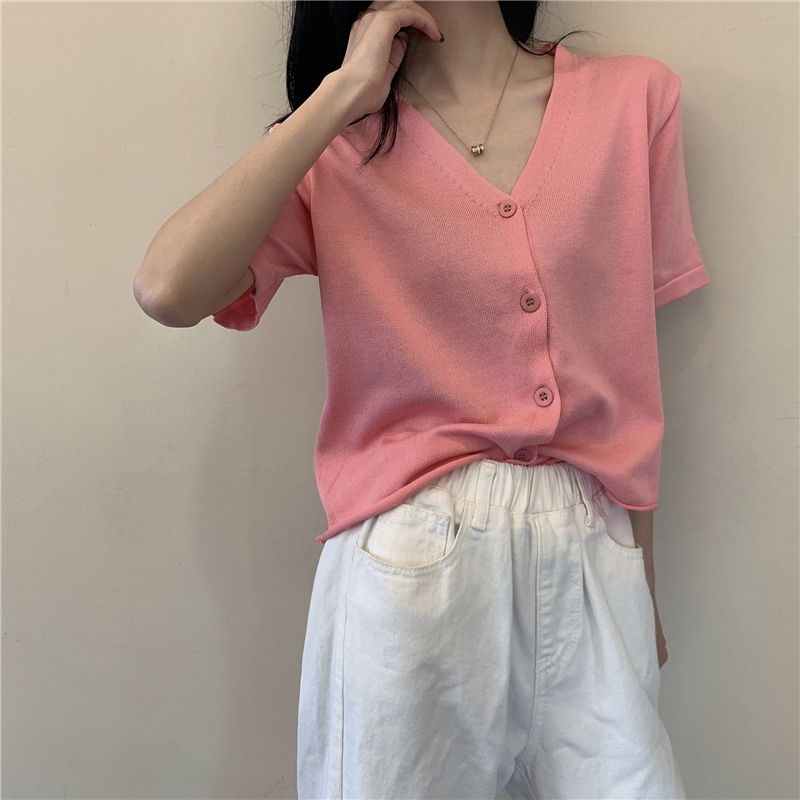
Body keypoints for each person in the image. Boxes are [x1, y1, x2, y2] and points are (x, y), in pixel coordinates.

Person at [134, 2, 709, 797]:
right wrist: (340, 95)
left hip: (592, 553)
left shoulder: (635, 101)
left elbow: (632, 363)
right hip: (413, 561)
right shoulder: (338, 147)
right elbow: (167, 288)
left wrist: (638, 579)